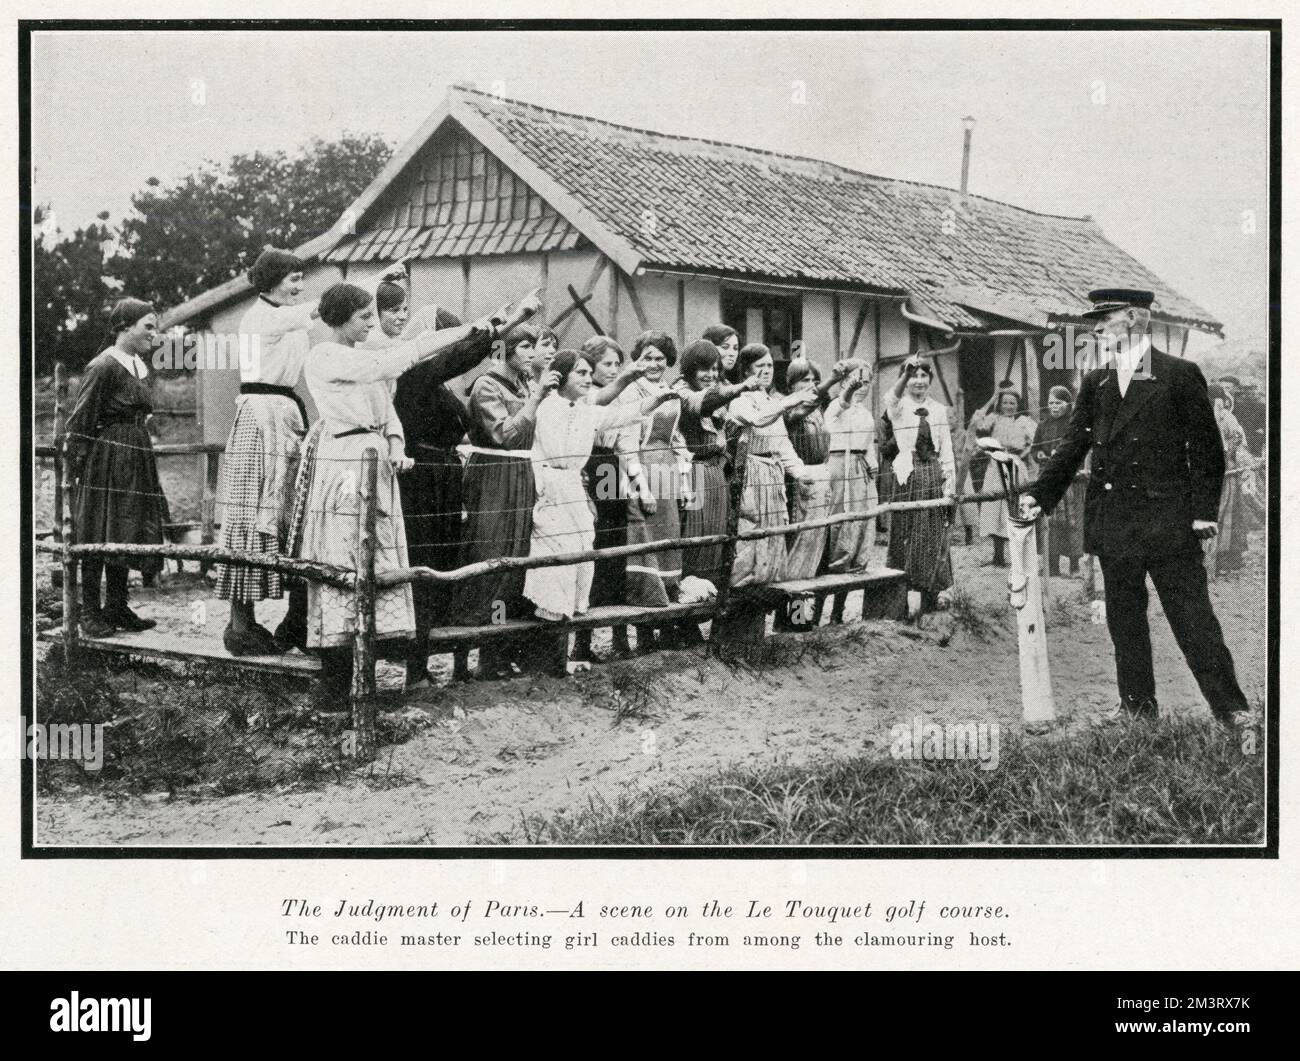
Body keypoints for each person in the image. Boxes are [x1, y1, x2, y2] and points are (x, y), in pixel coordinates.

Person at [1025, 288, 1251, 731]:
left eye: (1104, 321)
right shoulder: (1097, 382)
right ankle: (1137, 707)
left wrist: (1204, 512)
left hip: (1169, 521)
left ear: (1132, 319)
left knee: (1192, 616)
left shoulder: (1180, 374)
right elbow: (1073, 446)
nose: (1096, 330)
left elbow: (1206, 449)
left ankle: (1231, 709)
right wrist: (1041, 495)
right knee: (1124, 620)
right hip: (1114, 521)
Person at [294, 282, 505, 697]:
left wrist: (395, 445)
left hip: (378, 459)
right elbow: (394, 364)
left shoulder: (363, 357)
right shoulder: (325, 356)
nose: (371, 324)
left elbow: (388, 410)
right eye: (364, 317)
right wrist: (467, 332)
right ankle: (336, 681)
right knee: (346, 556)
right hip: (347, 461)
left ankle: (369, 675)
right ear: (339, 319)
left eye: (372, 316)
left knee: (380, 555)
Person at [374, 275, 542, 687]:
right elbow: (463, 357)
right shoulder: (412, 377)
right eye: (445, 342)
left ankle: (440, 658)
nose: (451, 351)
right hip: (420, 481)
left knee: (449, 564)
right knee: (422, 564)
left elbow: (467, 420)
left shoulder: (444, 389)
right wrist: (512, 317)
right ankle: (413, 662)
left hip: (447, 480)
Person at [523, 350, 679, 673]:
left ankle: (564, 652)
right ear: (561, 377)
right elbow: (556, 447)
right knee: (556, 565)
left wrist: (656, 400)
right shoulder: (549, 407)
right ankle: (547, 656)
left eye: (585, 373)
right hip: (551, 487)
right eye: (579, 373)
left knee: (582, 557)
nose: (585, 378)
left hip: (572, 490)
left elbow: (622, 415)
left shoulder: (586, 410)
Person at [215, 248, 319, 656]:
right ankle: (241, 625)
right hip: (261, 417)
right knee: (249, 513)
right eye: (293, 278)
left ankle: (294, 621)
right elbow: (320, 309)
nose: (299, 285)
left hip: (285, 414)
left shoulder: (286, 316)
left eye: (300, 277)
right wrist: (373, 282)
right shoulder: (262, 317)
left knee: (291, 513)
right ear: (273, 281)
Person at [449, 325, 551, 679]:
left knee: (516, 559)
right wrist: (536, 400)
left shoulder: (524, 383)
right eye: (524, 346)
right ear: (504, 350)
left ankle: (496, 651)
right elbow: (504, 434)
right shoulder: (486, 385)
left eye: (533, 347)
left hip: (521, 474)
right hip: (494, 473)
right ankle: (467, 655)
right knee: (488, 554)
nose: (531, 353)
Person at [65, 298, 169, 636]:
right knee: (99, 527)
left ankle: (117, 606)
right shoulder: (103, 365)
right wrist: (78, 467)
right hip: (107, 459)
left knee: (125, 527)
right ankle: (91, 613)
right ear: (124, 327)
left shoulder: (139, 365)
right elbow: (80, 420)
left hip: (136, 454)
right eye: (148, 327)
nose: (154, 334)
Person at [670, 338, 762, 643]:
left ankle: (701, 614)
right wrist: (739, 388)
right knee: (693, 542)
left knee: (715, 541)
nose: (710, 374)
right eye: (703, 369)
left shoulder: (713, 391)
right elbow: (701, 404)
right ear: (688, 369)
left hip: (715, 474)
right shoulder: (681, 390)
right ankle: (683, 620)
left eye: (714, 369)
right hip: (693, 472)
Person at [570, 336, 648, 662]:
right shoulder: (584, 397)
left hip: (611, 470)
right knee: (590, 546)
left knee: (615, 548)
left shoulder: (626, 398)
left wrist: (638, 484)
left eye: (618, 364)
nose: (613, 370)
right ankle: (582, 641)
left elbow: (627, 444)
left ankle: (619, 635)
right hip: (586, 466)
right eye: (607, 364)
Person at [618, 330, 692, 651]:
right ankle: (644, 628)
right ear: (637, 359)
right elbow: (627, 440)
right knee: (642, 538)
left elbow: (678, 440)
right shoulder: (631, 391)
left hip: (668, 470)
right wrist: (639, 484)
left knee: (667, 536)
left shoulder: (671, 392)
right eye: (647, 357)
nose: (654, 363)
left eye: (660, 358)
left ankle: (667, 625)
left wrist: (686, 482)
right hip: (639, 467)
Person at [724, 344, 818, 588]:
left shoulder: (769, 400)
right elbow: (759, 420)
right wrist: (789, 402)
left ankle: (764, 593)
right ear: (746, 371)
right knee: (750, 533)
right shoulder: (739, 400)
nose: (766, 370)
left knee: (774, 536)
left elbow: (782, 443)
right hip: (750, 473)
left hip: (772, 474)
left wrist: (799, 473)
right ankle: (739, 592)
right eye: (760, 366)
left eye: (769, 365)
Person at [879, 356, 956, 613]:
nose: (918, 381)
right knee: (907, 531)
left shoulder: (938, 409)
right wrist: (904, 374)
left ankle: (929, 598)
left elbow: (945, 447)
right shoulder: (899, 406)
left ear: (930, 380)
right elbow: (890, 398)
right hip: (908, 474)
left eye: (923, 376)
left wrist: (949, 482)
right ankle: (899, 599)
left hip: (932, 472)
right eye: (913, 376)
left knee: (931, 533)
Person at [823, 363, 879, 619]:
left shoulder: (866, 415)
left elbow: (869, 447)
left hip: (860, 473)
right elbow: (843, 403)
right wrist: (848, 391)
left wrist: (871, 467)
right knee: (835, 533)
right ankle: (813, 613)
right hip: (838, 470)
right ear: (844, 381)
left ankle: (838, 611)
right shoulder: (836, 405)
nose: (861, 387)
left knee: (857, 533)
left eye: (866, 382)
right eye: (856, 381)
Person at [971, 385, 1036, 566]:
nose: (1009, 406)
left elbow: (1035, 441)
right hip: (996, 466)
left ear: (1018, 404)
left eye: (1012, 403)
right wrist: (993, 398)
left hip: (1015, 465)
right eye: (1005, 402)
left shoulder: (1025, 421)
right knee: (995, 509)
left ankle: (1018, 557)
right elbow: (976, 422)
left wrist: (1022, 455)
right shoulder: (994, 419)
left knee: (1015, 508)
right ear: (1000, 404)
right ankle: (998, 556)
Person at [1030, 385, 1086, 576]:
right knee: (1049, 521)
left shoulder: (1074, 424)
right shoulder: (1042, 425)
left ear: (1068, 404)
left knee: (1072, 521)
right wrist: (1039, 454)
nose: (1054, 407)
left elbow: (1080, 448)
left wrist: (1063, 455)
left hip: (1070, 479)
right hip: (1048, 477)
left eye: (1058, 403)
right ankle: (1051, 565)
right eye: (1051, 403)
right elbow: (1034, 449)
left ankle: (1074, 565)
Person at [1205, 383, 1249, 576]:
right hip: (1215, 473)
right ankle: (1217, 558)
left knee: (1227, 513)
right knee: (1219, 512)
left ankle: (1226, 558)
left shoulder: (1227, 418)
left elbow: (1237, 443)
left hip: (1226, 473)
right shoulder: (1208, 417)